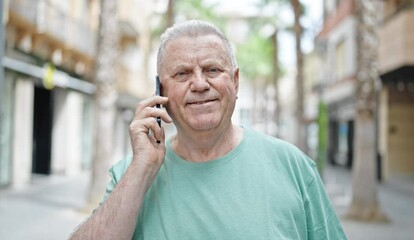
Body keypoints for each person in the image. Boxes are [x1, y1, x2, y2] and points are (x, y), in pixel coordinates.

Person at [69, 20, 346, 240]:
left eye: (212, 70)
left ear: (235, 82)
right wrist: (141, 170)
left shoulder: (294, 167)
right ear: (160, 90)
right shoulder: (132, 174)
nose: (200, 84)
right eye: (182, 74)